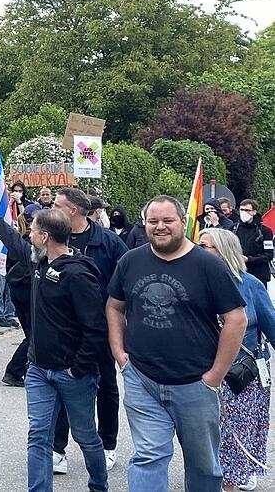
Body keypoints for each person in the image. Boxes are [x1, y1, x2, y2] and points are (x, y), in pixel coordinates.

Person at [107, 195, 247, 492]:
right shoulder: (130, 261)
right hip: (142, 378)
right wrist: (120, 355)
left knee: (203, 467)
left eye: (168, 220)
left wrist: (215, 376)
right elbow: (114, 306)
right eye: (153, 221)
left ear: (184, 222)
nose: (160, 227)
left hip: (196, 383)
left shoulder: (208, 265)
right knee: (148, 457)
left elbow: (236, 319)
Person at [0, 201, 110, 492]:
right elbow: (15, 242)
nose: (29, 235)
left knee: (86, 435)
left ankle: (99, 486)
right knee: (38, 435)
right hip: (39, 370)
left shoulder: (78, 274)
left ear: (45, 237)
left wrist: (78, 367)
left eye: (34, 231)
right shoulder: (38, 261)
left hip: (72, 374)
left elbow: (96, 327)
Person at [50, 187, 127, 472]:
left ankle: (107, 445)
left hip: (101, 327)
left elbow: (127, 278)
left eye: (57, 205)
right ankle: (57, 449)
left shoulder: (107, 241)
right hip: (63, 328)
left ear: (72, 210)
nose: (51, 208)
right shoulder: (54, 237)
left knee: (105, 385)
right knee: (60, 386)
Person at [197, 228, 275, 491]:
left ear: (222, 251)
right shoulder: (194, 283)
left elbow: (271, 327)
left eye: (204, 245)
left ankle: (233, 476)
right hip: (200, 372)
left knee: (237, 432)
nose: (197, 249)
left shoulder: (250, 284)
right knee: (207, 433)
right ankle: (218, 473)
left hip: (242, 374)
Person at [2, 204, 37, 387]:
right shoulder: (29, 242)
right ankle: (13, 371)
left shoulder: (25, 238)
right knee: (32, 335)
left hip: (18, 287)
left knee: (30, 334)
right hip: (24, 289)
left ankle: (20, 369)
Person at [234, 199, 273, 286]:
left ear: (254, 212)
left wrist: (248, 259)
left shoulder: (265, 231)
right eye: (241, 210)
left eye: (247, 210)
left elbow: (268, 255)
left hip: (259, 275)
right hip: (238, 273)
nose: (244, 213)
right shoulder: (233, 229)